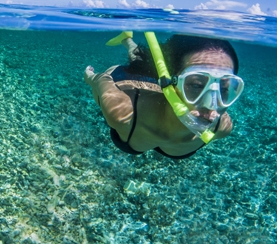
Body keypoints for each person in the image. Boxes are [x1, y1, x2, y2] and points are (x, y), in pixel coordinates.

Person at [84, 32, 244, 159]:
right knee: (138, 62)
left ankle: (128, 39)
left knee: (144, 60)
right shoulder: (123, 113)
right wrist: (89, 76)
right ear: (171, 83)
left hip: (166, 86)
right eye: (196, 85)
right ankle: (127, 40)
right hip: (128, 82)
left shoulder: (221, 128)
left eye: (224, 89)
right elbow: (100, 80)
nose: (211, 106)